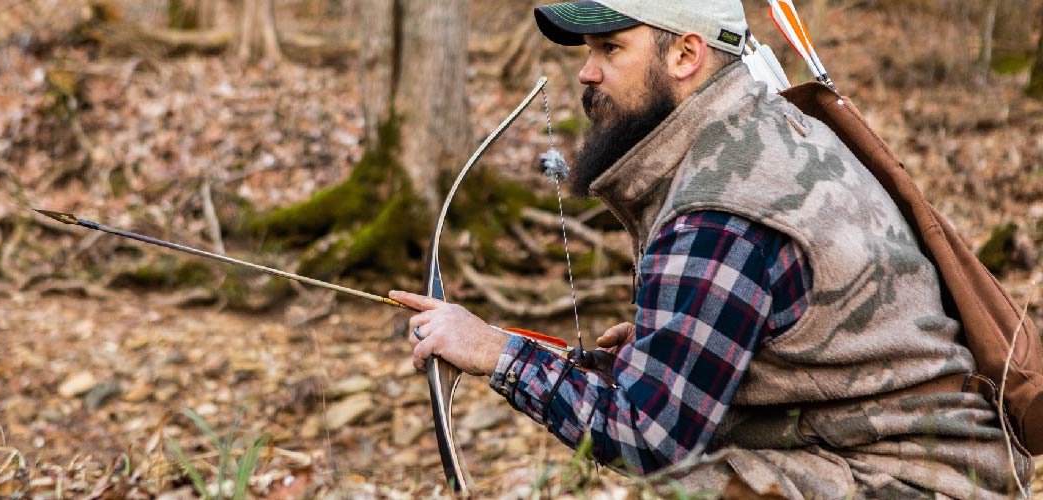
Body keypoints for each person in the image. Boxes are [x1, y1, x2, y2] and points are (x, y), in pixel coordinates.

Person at [389, 0, 1032, 498]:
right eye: (587, 49)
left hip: (915, 478)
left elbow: (646, 436)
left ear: (686, 54)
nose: (587, 71)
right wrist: (655, 356)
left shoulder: (721, 207)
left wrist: (493, 350)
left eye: (612, 47)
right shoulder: (764, 133)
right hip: (927, 459)